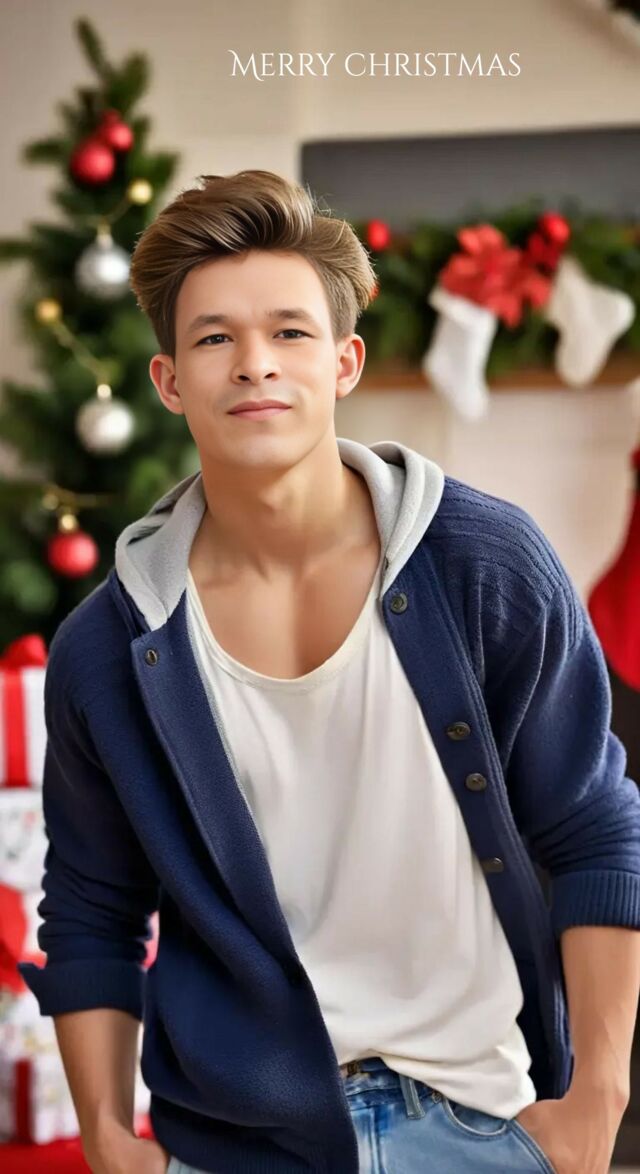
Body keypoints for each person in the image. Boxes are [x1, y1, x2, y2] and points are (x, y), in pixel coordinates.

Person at [18, 170, 640, 1174]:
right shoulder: (108, 648)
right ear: (169, 381)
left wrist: (597, 1101)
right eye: (214, 338)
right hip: (235, 1144)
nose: (254, 363)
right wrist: (105, 1137)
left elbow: (594, 827)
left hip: (480, 1121)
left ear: (344, 361)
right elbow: (92, 904)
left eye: (290, 331)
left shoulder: (485, 566)